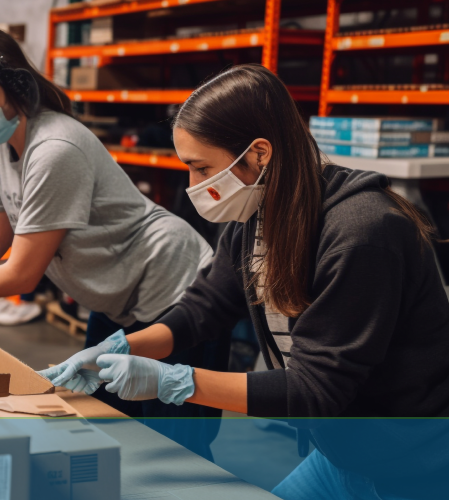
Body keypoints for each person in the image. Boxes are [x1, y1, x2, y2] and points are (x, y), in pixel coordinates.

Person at [87, 64, 449, 498]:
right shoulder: (257, 212)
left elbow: (314, 390)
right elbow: (208, 305)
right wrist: (123, 346)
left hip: (409, 467)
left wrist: (174, 382)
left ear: (259, 154)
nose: (193, 185)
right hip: (341, 456)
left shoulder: (363, 233)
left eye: (201, 168)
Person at [0, 28, 224, 457]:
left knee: (175, 440)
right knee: (104, 417)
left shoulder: (56, 148)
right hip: (116, 295)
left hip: (173, 284)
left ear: (18, 89)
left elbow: (22, 272)